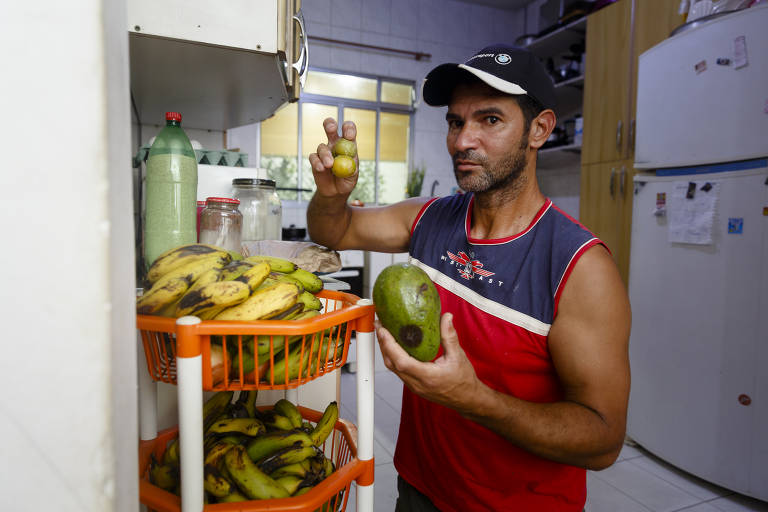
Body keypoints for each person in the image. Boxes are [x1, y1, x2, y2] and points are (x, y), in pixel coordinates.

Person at [307, 44, 631, 512]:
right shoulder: (432, 218)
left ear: (539, 130)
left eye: (490, 120)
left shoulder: (580, 267)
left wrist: (475, 400)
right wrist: (332, 198)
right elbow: (332, 230)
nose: (462, 141)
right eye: (456, 122)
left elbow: (603, 439)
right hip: (418, 488)